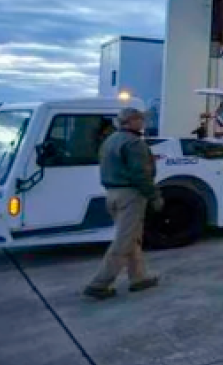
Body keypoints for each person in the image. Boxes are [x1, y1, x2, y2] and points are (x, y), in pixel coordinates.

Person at [83, 107, 162, 300]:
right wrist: (154, 196)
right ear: (131, 121)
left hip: (112, 194)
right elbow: (140, 174)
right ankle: (99, 284)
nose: (143, 123)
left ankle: (139, 278)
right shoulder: (134, 143)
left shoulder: (110, 140)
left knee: (132, 237)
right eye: (140, 120)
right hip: (130, 196)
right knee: (124, 241)